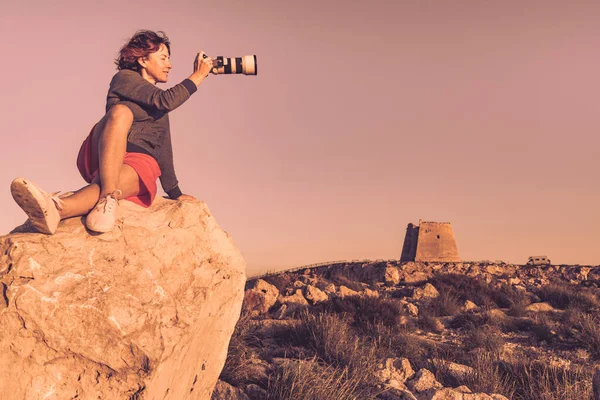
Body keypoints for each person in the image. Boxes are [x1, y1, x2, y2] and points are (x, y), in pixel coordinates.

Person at [10, 30, 214, 234]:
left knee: (140, 169)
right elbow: (165, 100)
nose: (169, 65)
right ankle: (109, 196)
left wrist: (175, 192)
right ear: (143, 60)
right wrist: (198, 75)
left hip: (137, 164)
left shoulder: (161, 112)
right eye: (163, 58)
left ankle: (57, 209)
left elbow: (164, 150)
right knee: (122, 112)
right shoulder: (125, 78)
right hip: (106, 149)